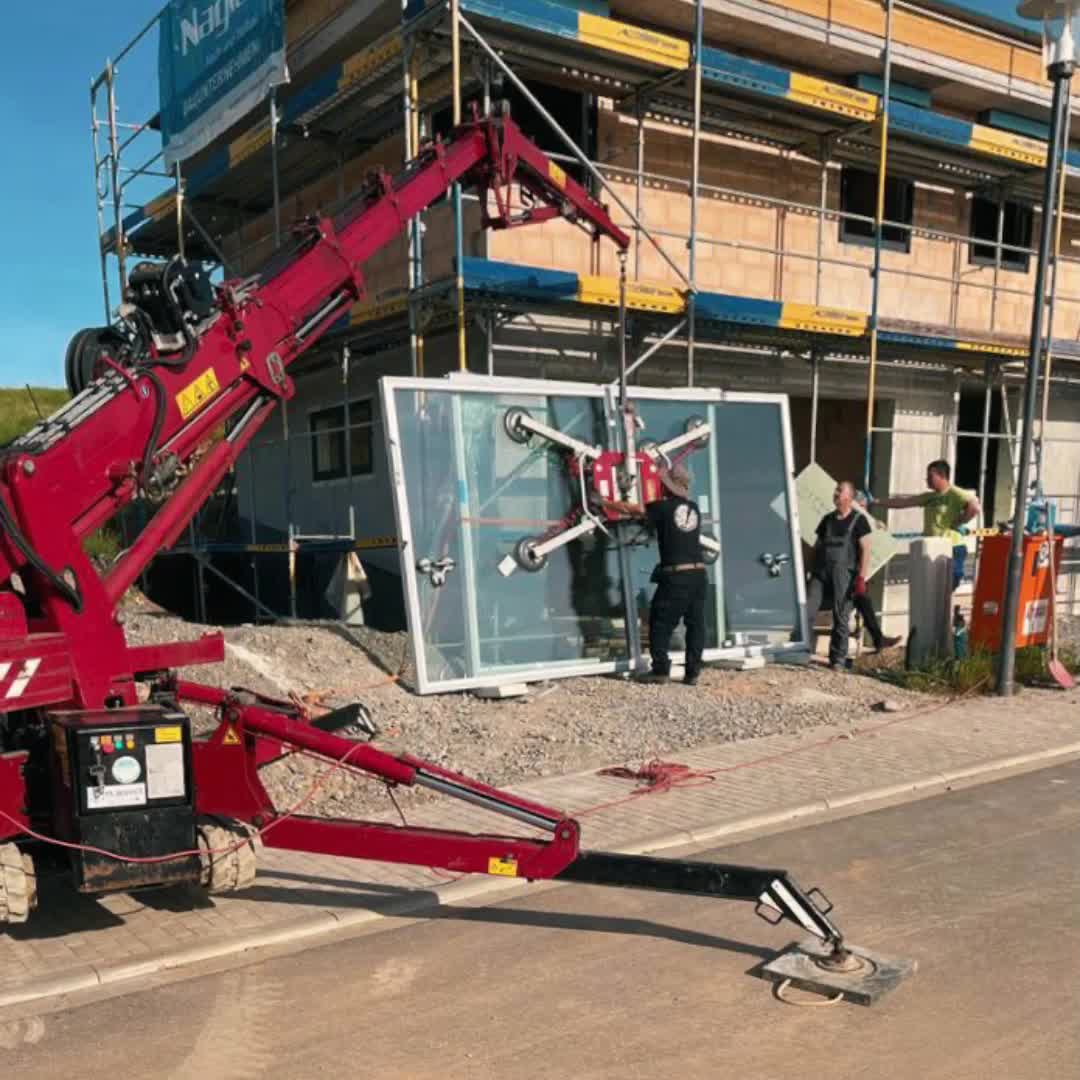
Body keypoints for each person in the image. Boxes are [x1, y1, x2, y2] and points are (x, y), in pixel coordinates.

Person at [603, 462, 706, 686]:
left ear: (666, 487)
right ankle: (693, 673)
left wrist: (602, 502)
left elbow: (635, 510)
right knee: (695, 624)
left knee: (660, 621)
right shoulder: (694, 508)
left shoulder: (663, 508)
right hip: (699, 574)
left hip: (677, 576)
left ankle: (660, 670)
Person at [870, 460, 980, 588]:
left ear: (942, 476)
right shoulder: (929, 497)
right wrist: (874, 502)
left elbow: (975, 507)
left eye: (930, 476)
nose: (927, 479)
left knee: (948, 584)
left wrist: (960, 521)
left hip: (952, 546)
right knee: (933, 588)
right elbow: (903, 502)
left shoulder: (955, 493)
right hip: (933, 547)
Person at [806, 480, 871, 671]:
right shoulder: (827, 519)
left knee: (841, 615)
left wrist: (861, 578)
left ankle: (838, 660)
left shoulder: (859, 521)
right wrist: (808, 570)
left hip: (844, 574)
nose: (835, 493)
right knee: (808, 610)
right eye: (835, 490)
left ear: (849, 497)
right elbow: (816, 547)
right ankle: (802, 652)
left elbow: (866, 549)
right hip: (821, 572)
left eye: (839, 490)